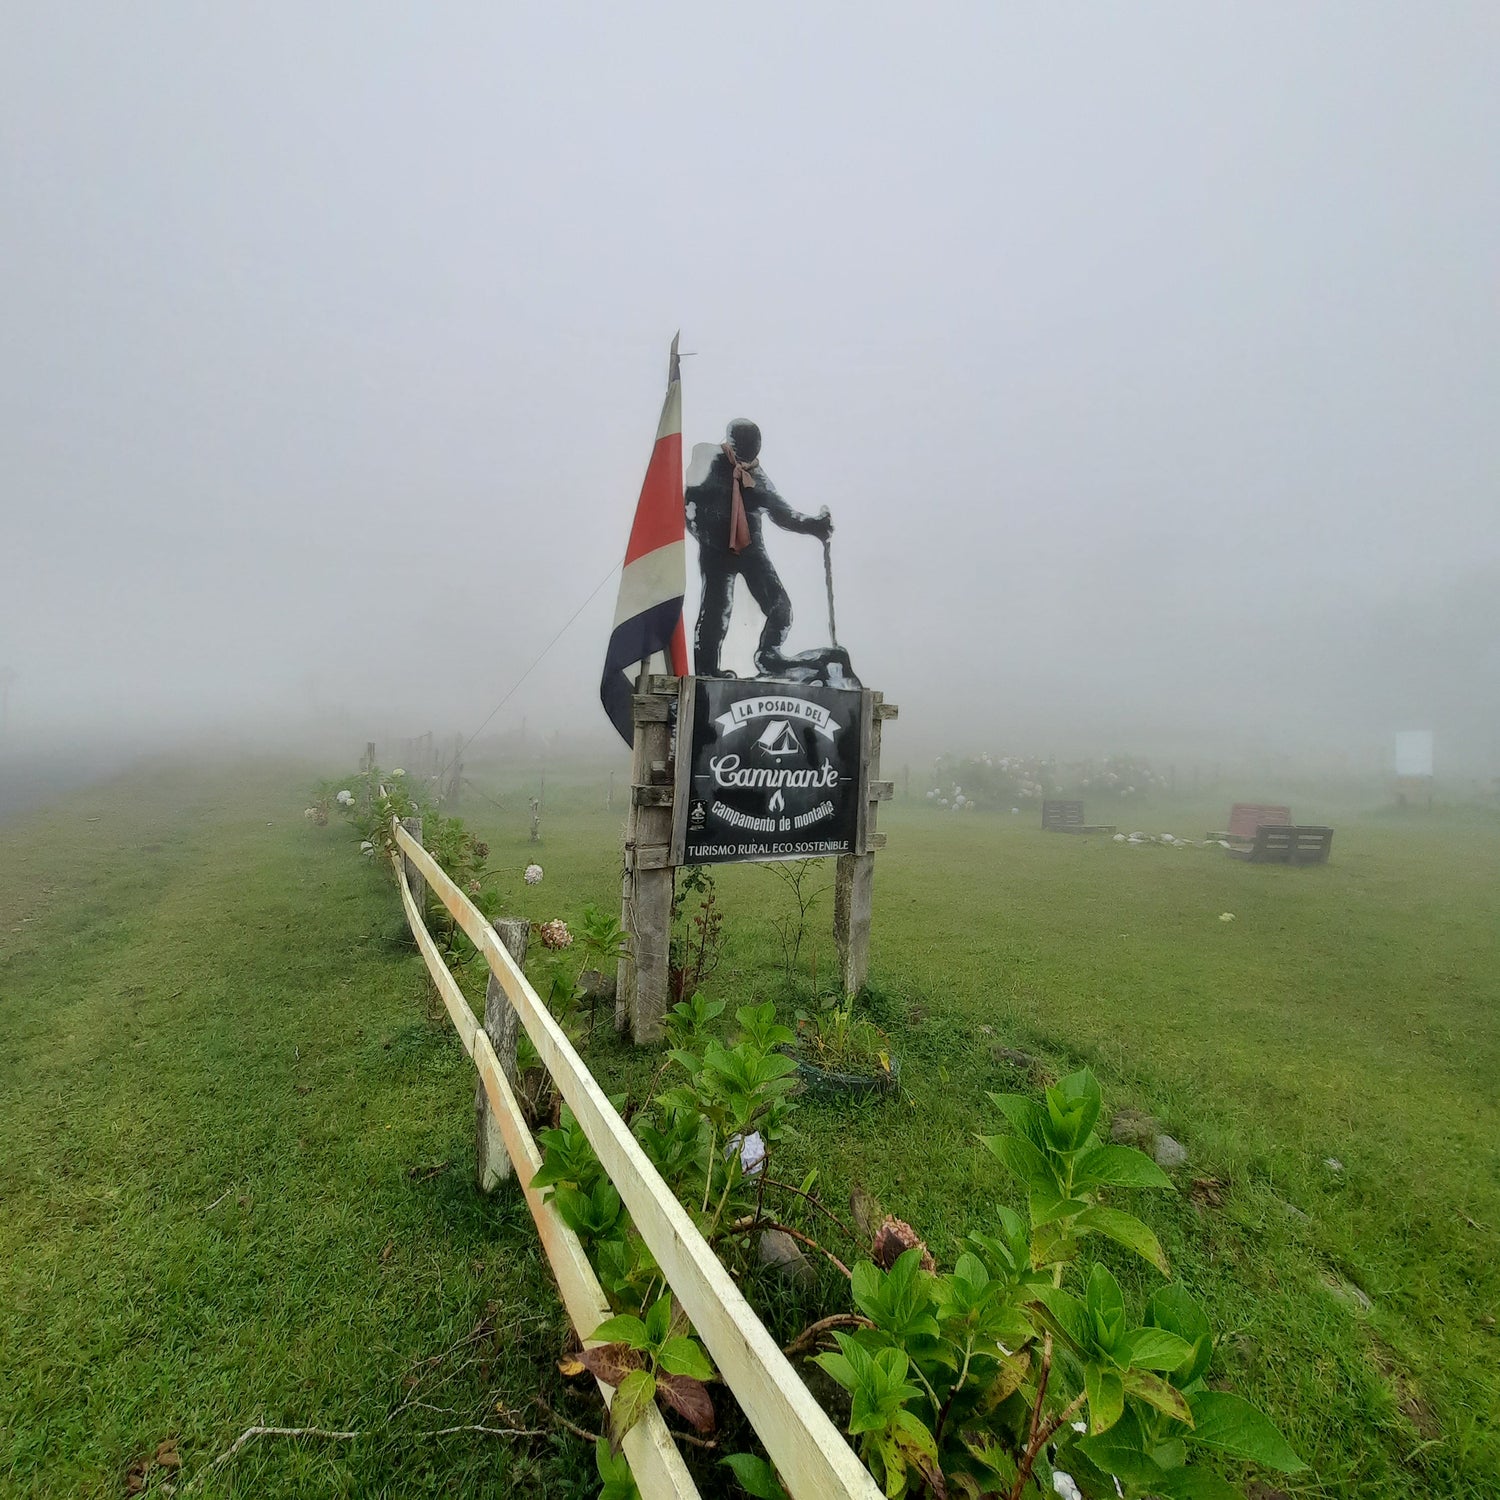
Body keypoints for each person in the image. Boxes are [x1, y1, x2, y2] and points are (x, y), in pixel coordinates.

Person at [684, 419, 832, 677]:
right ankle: (706, 672)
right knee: (716, 613)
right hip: (717, 550)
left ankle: (769, 654)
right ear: (731, 442)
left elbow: (782, 514)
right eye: (744, 447)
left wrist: (816, 526)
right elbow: (689, 507)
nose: (750, 453)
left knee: (780, 606)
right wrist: (705, 535)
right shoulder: (708, 462)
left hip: (751, 551)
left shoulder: (756, 475)